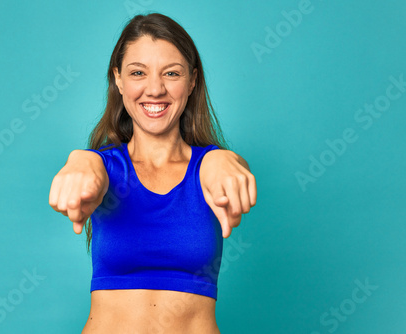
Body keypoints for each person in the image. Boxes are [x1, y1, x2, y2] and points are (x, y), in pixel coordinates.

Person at [49, 13, 257, 334]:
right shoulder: (103, 168)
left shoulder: (213, 170)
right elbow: (89, 168)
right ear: (118, 79)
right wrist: (80, 161)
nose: (155, 89)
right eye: (138, 73)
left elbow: (229, 170)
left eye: (171, 73)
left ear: (192, 81)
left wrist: (223, 159)